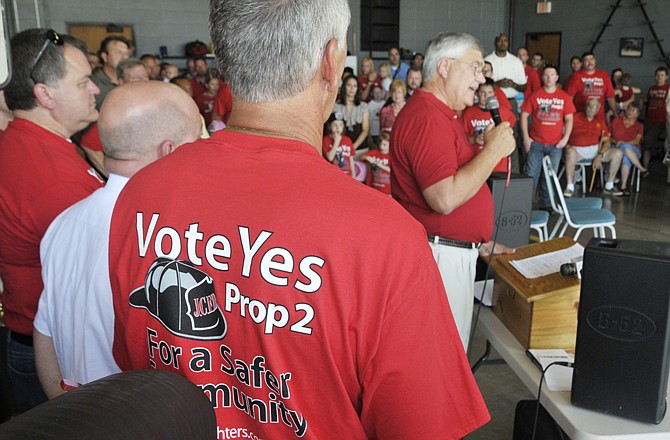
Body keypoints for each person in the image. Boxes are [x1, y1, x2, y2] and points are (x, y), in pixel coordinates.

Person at [109, 1, 489, 438]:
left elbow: (135, 359)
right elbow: (423, 428)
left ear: (226, 60)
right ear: (332, 62)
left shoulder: (140, 194)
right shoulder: (384, 237)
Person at [33, 81, 202, 399]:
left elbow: (45, 334)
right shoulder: (164, 239)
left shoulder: (64, 223)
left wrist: (66, 410)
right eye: (195, 143)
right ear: (170, 151)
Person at [0, 28, 104, 412]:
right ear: (44, 95)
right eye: (82, 82)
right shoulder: (51, 177)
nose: (94, 89)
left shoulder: (27, 142)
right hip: (56, 353)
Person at [391, 31, 516, 350]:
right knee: (439, 355)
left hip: (452, 250)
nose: (481, 76)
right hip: (440, 257)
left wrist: (478, 243)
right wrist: (493, 152)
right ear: (444, 66)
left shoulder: (442, 116)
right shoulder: (427, 117)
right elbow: (443, 198)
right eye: (474, 66)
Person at [80, 58, 150, 178]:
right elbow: (89, 145)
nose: (143, 81)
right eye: (136, 78)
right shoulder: (116, 109)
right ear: (121, 81)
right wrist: (116, 180)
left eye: (145, 76)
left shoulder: (154, 101)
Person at [520, 65, 576, 210]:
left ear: (557, 77)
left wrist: (565, 138)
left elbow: (569, 119)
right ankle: (525, 205)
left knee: (551, 177)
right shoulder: (536, 95)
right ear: (542, 77)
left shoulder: (564, 97)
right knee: (531, 174)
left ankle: (546, 204)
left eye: (552, 75)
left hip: (556, 144)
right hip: (536, 142)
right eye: (546, 75)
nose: (549, 78)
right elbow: (524, 115)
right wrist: (526, 138)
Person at [563, 97, 623, 197]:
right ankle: (569, 187)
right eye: (589, 105)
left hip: (596, 150)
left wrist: (600, 155)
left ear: (598, 109)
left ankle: (609, 186)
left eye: (594, 106)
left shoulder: (600, 121)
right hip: (577, 150)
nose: (591, 108)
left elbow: (607, 142)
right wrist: (566, 145)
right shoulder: (575, 117)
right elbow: (563, 132)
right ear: (585, 106)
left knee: (618, 153)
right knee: (570, 152)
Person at [462, 78, 516, 173]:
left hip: (498, 164)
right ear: (477, 93)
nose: (486, 96)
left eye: (489, 92)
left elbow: (509, 132)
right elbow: (462, 139)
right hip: (475, 163)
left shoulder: (504, 111)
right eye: (482, 92)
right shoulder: (468, 113)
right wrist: (475, 139)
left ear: (494, 93)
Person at [609, 102, 647, 195]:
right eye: (629, 109)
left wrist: (623, 143)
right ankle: (624, 186)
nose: (630, 111)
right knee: (626, 156)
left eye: (633, 110)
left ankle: (639, 170)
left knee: (625, 147)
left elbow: (637, 140)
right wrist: (614, 141)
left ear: (637, 114)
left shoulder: (639, 126)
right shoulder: (617, 121)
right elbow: (607, 136)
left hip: (634, 150)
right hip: (616, 148)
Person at [565, 52, 616, 120]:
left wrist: (616, 113)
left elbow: (610, 97)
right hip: (580, 118)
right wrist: (568, 117)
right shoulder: (576, 76)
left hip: (599, 118)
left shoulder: (604, 75)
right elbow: (569, 98)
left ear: (595, 61)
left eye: (591, 59)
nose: (589, 62)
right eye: (586, 60)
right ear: (582, 63)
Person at [484, 33, 526, 113]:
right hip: (492, 101)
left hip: (511, 102)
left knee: (511, 125)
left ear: (508, 43)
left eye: (505, 40)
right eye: (500, 40)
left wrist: (513, 84)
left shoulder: (516, 61)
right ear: (495, 42)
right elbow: (480, 85)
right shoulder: (487, 60)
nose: (503, 43)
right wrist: (497, 84)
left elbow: (524, 87)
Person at [91, 35, 131, 108]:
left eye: (126, 54)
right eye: (117, 52)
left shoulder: (130, 80)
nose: (124, 57)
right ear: (105, 57)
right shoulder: (93, 83)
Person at [642, 67, 669, 171]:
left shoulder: (668, 88)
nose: (659, 77)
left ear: (666, 76)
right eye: (657, 75)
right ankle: (645, 168)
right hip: (648, 120)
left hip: (660, 121)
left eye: (662, 75)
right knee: (643, 142)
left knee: (648, 140)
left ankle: (655, 153)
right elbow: (647, 99)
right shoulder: (652, 88)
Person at [334, 75, 369, 151]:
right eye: (349, 85)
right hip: (341, 149)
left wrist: (353, 147)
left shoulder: (363, 106)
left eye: (355, 86)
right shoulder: (336, 106)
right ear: (344, 87)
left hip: (361, 148)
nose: (352, 88)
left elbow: (365, 130)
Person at [322, 111, 356, 177]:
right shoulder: (326, 139)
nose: (338, 128)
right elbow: (330, 158)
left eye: (340, 125)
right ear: (329, 126)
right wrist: (336, 142)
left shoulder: (347, 140)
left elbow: (351, 158)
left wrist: (353, 175)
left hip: (347, 174)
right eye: (335, 125)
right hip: (333, 175)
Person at [362, 130, 392, 195]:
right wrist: (367, 158)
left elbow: (390, 170)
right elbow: (362, 156)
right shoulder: (375, 152)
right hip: (373, 187)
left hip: (387, 189)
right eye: (380, 143)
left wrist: (377, 163)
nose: (381, 146)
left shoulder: (391, 156)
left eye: (384, 144)